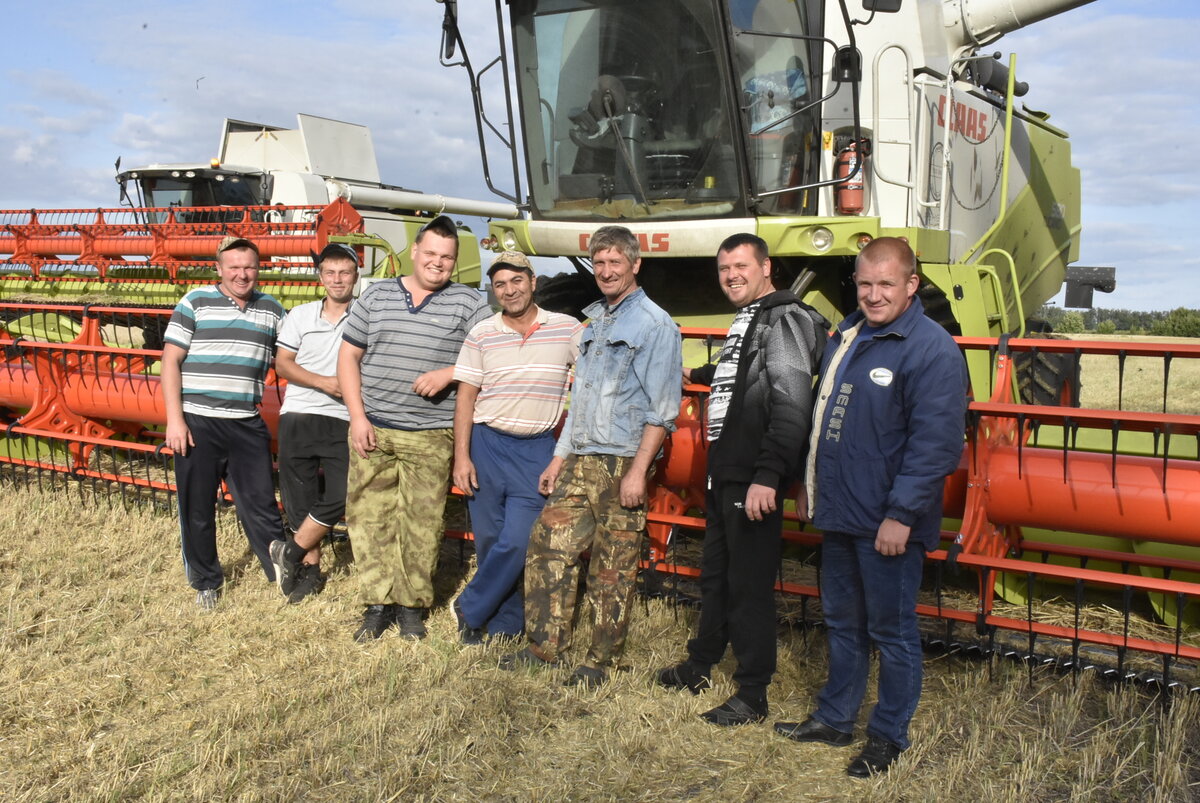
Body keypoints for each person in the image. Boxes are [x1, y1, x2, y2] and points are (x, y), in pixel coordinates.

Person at [773, 237, 967, 777]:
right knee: (843, 622)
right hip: (841, 511)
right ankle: (835, 719)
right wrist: (809, 482)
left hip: (887, 521)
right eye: (864, 283)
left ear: (912, 285)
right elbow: (823, 417)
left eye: (886, 284)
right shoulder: (849, 335)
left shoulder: (931, 350)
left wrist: (901, 515)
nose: (874, 294)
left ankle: (887, 737)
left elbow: (936, 447)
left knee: (891, 632)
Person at [656, 233, 827, 726]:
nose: (731, 275)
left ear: (766, 267)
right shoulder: (752, 316)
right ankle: (700, 665)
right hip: (726, 469)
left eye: (741, 266)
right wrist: (699, 373)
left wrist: (769, 476)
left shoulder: (785, 318)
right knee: (717, 575)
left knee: (748, 584)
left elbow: (790, 402)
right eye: (724, 268)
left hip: (752, 474)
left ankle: (753, 694)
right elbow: (746, 375)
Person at [500, 225, 682, 688]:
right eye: (599, 262)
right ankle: (545, 649)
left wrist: (638, 472)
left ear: (635, 264)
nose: (605, 271)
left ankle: (602, 662)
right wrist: (559, 457)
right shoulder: (595, 321)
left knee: (612, 566)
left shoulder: (655, 324)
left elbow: (663, 410)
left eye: (615, 262)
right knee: (547, 545)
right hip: (580, 457)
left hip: (622, 460)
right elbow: (579, 400)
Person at [338, 215, 490, 642]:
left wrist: (449, 372)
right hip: (374, 429)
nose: (438, 263)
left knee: (422, 524)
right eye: (431, 254)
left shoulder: (469, 303)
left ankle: (410, 607)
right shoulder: (377, 295)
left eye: (447, 257)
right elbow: (348, 357)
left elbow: (488, 357)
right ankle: (377, 603)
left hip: (431, 434)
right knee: (369, 519)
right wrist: (357, 417)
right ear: (415, 252)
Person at [450, 251, 584, 644]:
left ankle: (470, 606)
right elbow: (466, 396)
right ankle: (503, 624)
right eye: (500, 284)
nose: (509, 290)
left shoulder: (567, 329)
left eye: (517, 281)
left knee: (518, 541)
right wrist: (462, 456)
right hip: (487, 444)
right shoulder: (482, 333)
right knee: (490, 541)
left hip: (536, 449)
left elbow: (594, 376)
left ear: (533, 281)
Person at [161, 236, 287, 609]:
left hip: (246, 421)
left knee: (262, 504)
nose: (241, 274)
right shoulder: (195, 301)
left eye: (249, 267)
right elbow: (170, 361)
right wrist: (175, 420)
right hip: (198, 422)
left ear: (259, 269)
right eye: (233, 267)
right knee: (197, 507)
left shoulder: (272, 310)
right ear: (218, 269)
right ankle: (206, 582)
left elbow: (291, 359)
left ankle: (281, 574)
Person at [268, 243, 358, 604]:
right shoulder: (301, 316)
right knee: (300, 497)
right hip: (299, 413)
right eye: (330, 272)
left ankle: (288, 552)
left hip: (344, 417)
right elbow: (283, 364)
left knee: (342, 493)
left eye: (345, 272)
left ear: (356, 276)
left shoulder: (365, 315)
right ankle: (310, 570)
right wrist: (324, 383)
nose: (337, 279)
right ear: (320, 277)